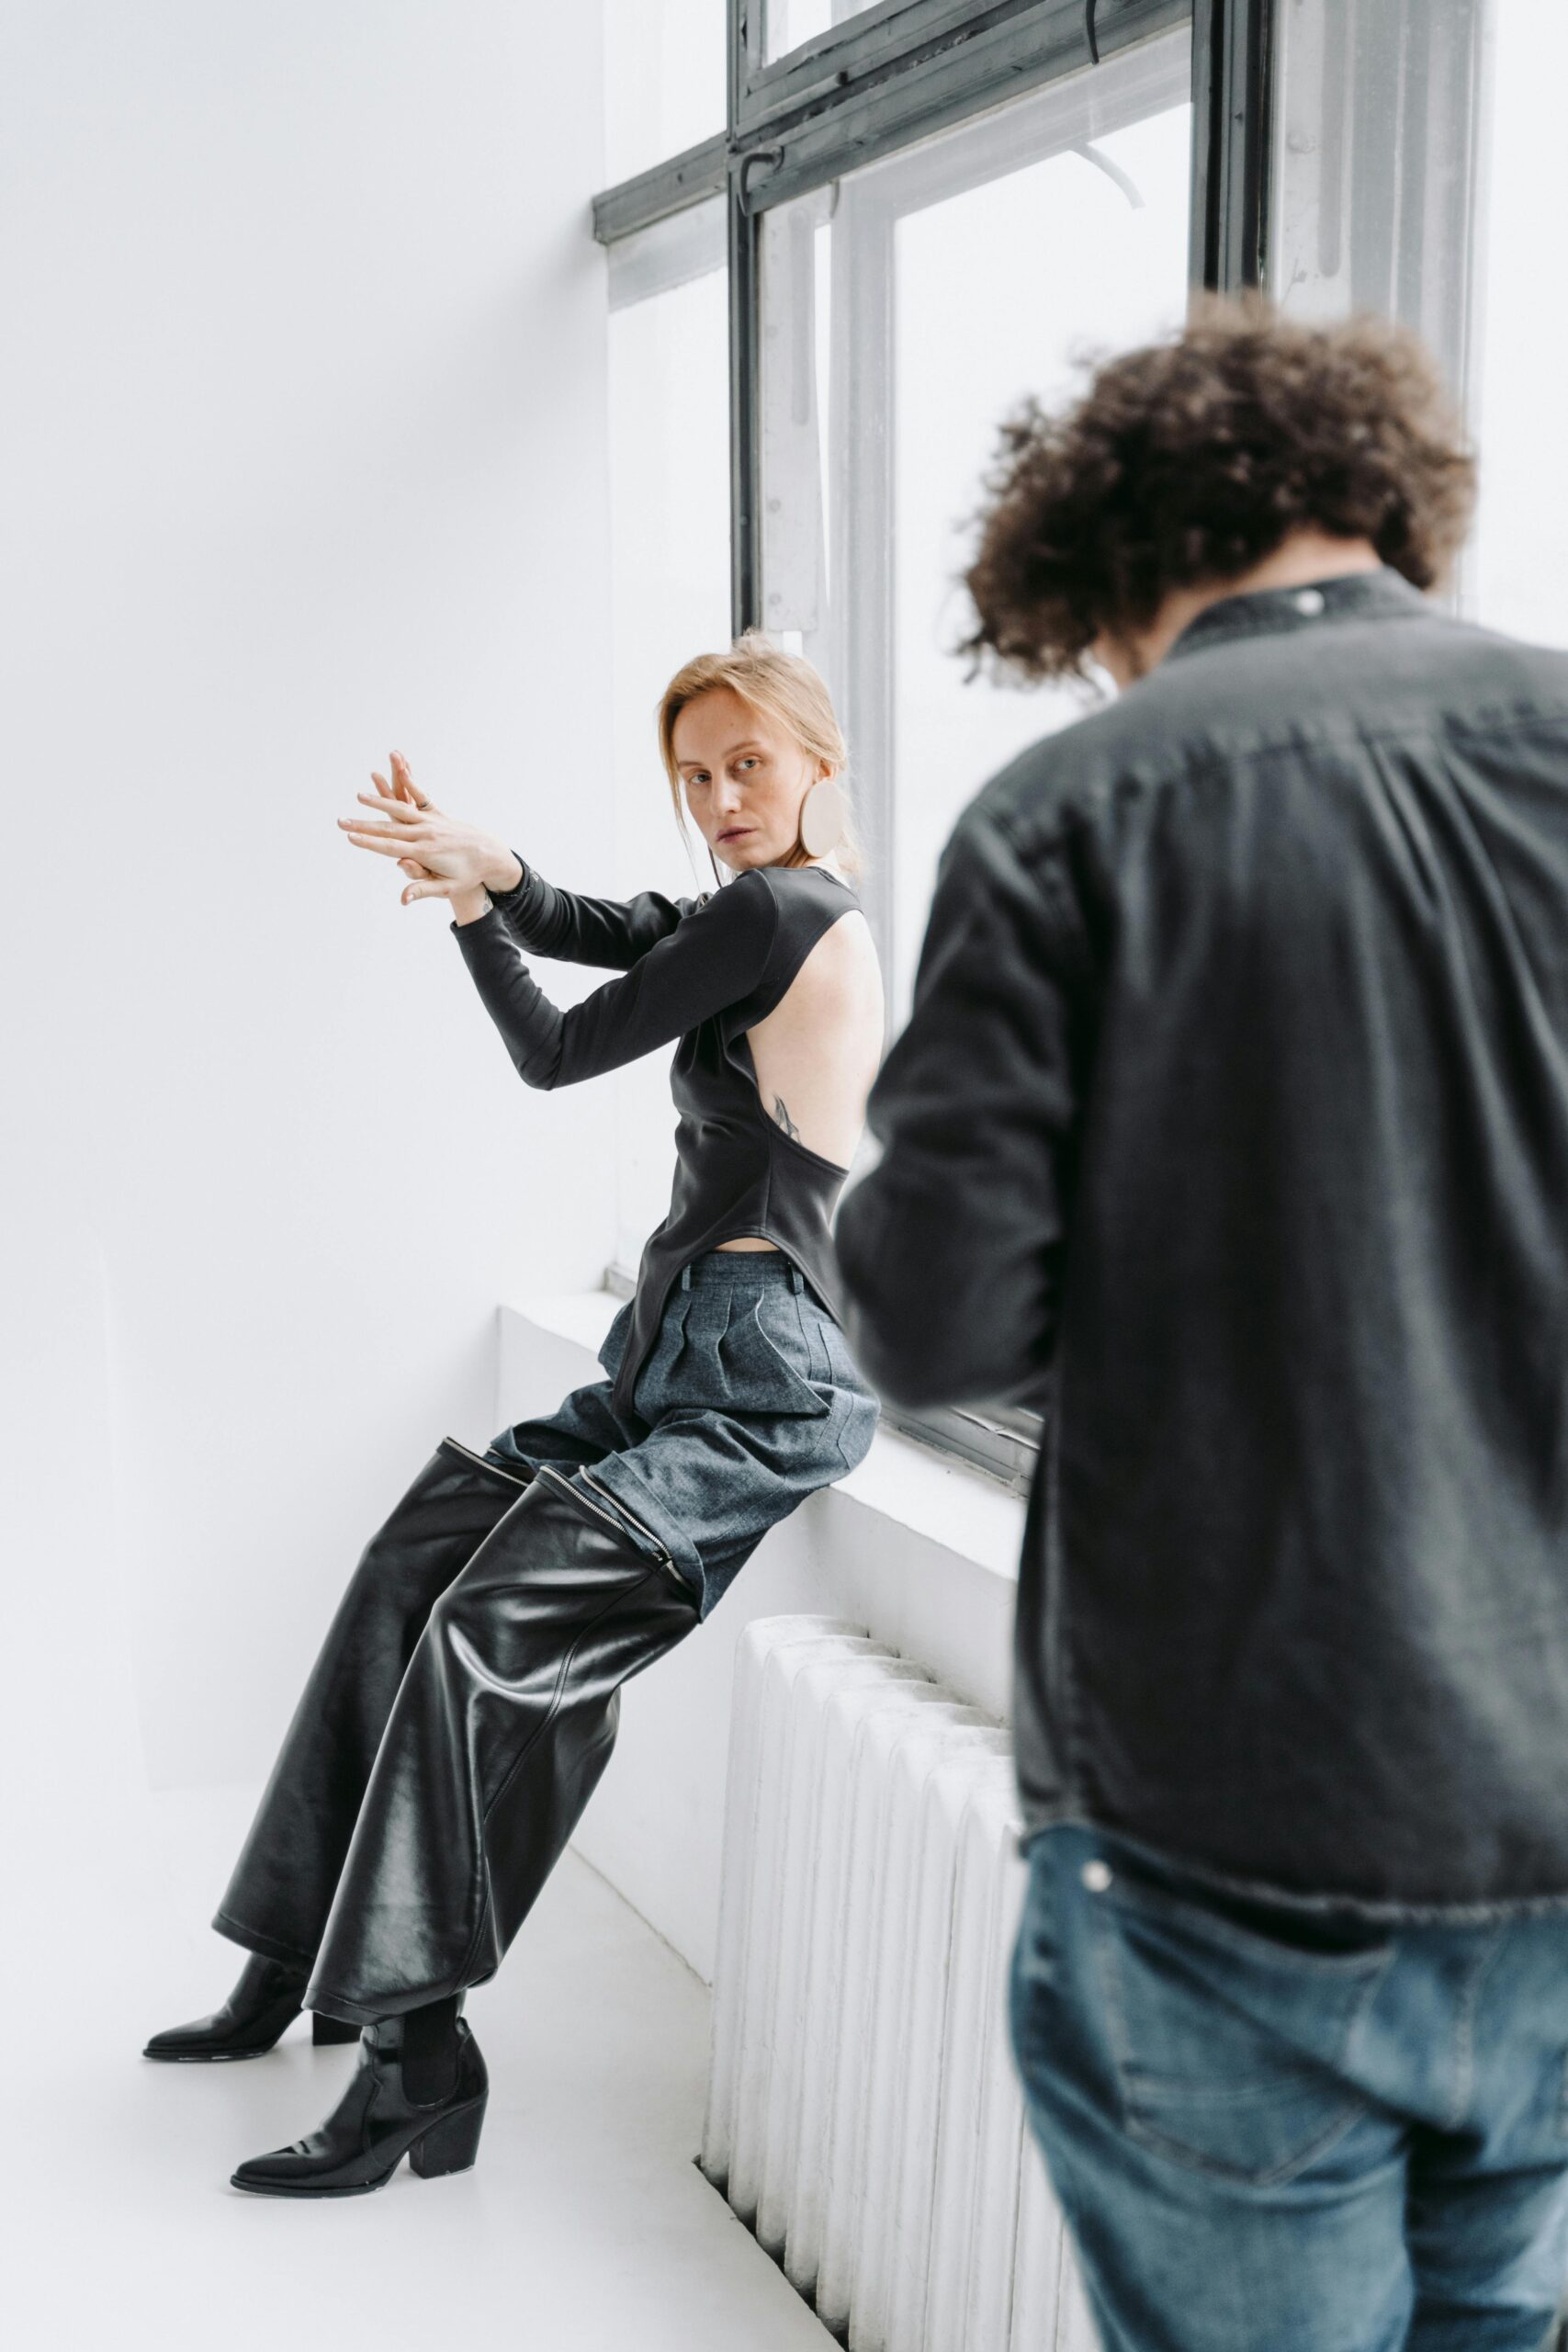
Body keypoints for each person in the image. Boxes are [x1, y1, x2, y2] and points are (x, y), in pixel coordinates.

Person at [830, 300, 1568, 2351]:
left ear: (1100, 569)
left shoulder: (1073, 806)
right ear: (1379, 505)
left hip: (1240, 1826)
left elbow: (932, 1323)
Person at [144, 633, 884, 2199]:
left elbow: (559, 1046)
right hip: (666, 1357)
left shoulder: (787, 912)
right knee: (410, 1565)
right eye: (694, 773)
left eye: (749, 762)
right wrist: (502, 872)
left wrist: (479, 916)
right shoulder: (764, 915)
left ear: (820, 759)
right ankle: (301, 1964)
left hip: (761, 1386)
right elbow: (619, 928)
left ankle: (417, 2054)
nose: (720, 796)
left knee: (487, 1637)